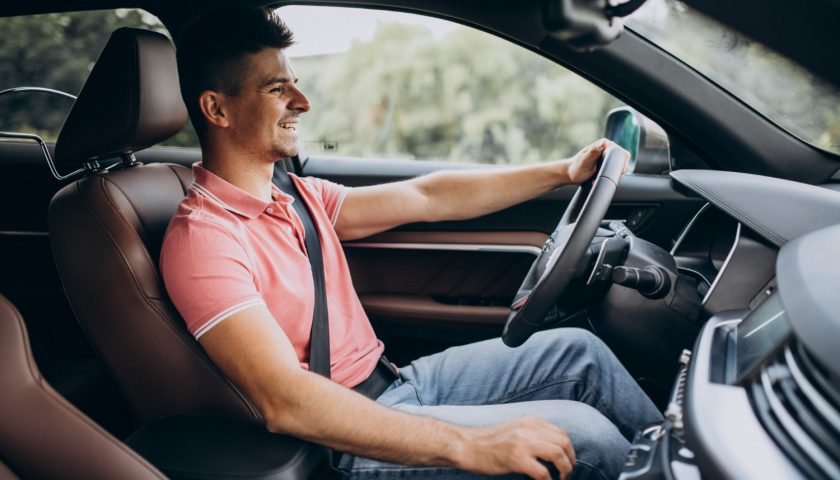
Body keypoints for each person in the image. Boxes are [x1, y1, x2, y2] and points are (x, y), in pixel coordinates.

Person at [160, 7, 663, 480]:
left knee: (580, 353)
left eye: (296, 83)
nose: (302, 102)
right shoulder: (203, 239)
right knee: (585, 437)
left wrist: (562, 172)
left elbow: (427, 196)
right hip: (340, 439)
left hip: (398, 383)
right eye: (276, 88)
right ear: (216, 109)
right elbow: (284, 400)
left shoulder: (296, 193)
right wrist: (469, 444)